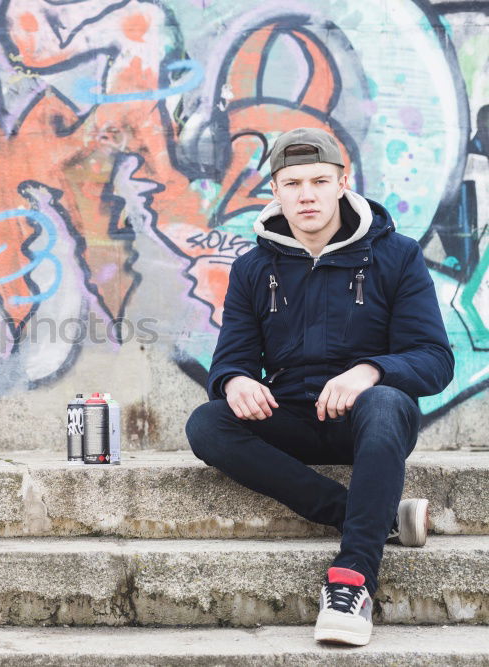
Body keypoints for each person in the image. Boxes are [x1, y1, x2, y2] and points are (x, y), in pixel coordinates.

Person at [185, 127, 454, 646]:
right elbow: (231, 361)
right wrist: (236, 380)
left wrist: (370, 370)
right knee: (208, 423)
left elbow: (435, 361)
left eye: (318, 181)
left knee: (383, 401)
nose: (306, 194)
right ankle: (371, 516)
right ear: (276, 191)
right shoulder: (252, 268)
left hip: (370, 421)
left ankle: (352, 579)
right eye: (292, 183)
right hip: (293, 418)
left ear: (342, 183)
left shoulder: (396, 255)